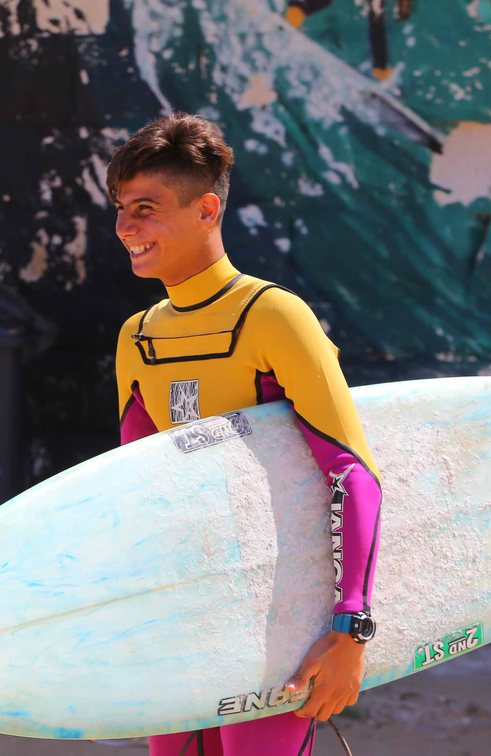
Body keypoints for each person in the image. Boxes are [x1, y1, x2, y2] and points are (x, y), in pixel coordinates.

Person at [110, 113, 383, 756]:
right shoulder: (137, 338)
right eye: (121, 209)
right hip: (184, 616)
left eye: (145, 209)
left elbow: (351, 473)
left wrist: (351, 628)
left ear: (207, 209)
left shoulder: (274, 317)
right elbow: (140, 491)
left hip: (275, 620)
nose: (125, 227)